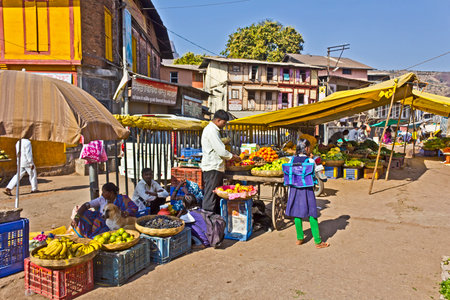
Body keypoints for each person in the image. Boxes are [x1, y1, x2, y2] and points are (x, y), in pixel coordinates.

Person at [285, 139, 329, 249]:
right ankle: (318, 242)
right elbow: (320, 176)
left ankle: (300, 238)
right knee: (312, 213)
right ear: (307, 149)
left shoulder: (291, 160)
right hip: (307, 190)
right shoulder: (310, 161)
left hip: (294, 189)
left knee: (297, 213)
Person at [201, 109, 240, 214]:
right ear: (218, 120)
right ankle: (207, 221)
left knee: (216, 195)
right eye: (224, 122)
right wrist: (233, 157)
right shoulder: (211, 131)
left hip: (216, 167)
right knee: (210, 196)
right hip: (212, 167)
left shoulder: (214, 130)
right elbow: (221, 151)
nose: (224, 125)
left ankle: (216, 221)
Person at [72, 182, 138, 238]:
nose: (102, 194)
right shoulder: (102, 199)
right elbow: (86, 205)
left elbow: (134, 207)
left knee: (105, 235)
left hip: (115, 223)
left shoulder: (123, 198)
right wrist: (77, 217)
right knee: (84, 213)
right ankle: (87, 235)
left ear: (111, 192)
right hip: (100, 220)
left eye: (104, 192)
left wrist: (127, 212)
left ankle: (94, 237)